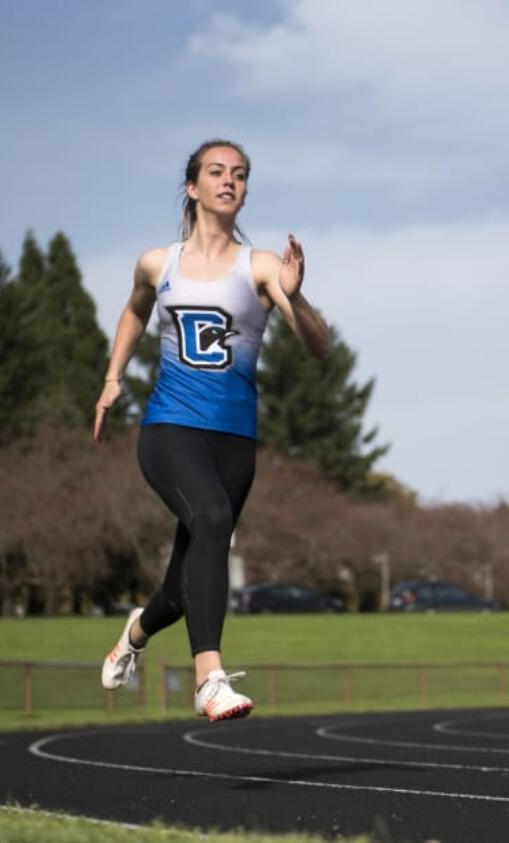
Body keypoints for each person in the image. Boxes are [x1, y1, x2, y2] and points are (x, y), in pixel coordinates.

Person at [93, 139, 330, 722]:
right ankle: (209, 677)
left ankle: (135, 633)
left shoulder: (265, 267)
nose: (230, 181)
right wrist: (113, 376)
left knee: (183, 586)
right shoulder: (158, 262)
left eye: (241, 175)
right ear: (193, 186)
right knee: (213, 520)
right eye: (217, 172)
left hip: (235, 443)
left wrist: (296, 303)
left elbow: (319, 347)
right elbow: (134, 309)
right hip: (170, 430)